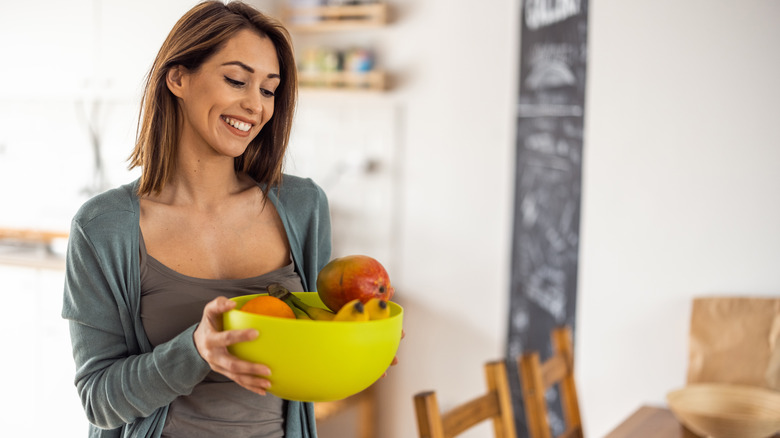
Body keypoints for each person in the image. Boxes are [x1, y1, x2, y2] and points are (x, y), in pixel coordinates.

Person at [62, 1, 331, 436]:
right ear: (178, 77)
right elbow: (99, 400)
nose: (255, 106)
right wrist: (194, 350)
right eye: (236, 80)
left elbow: (312, 345)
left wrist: (357, 345)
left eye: (268, 90)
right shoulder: (102, 227)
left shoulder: (303, 206)